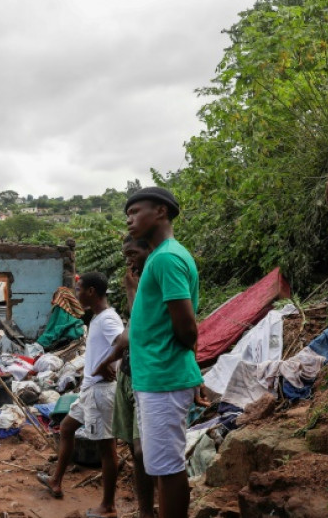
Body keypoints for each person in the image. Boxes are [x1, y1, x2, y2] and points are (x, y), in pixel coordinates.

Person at [125, 187, 203, 518]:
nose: (129, 220)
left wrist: (183, 369)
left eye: (135, 211)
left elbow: (186, 327)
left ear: (160, 211)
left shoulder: (168, 258)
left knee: (169, 468)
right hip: (155, 378)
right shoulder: (158, 257)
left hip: (164, 378)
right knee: (160, 464)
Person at [37, 272, 123, 518]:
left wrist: (108, 364)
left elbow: (125, 342)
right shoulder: (97, 318)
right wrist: (100, 364)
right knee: (66, 428)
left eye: (79, 290)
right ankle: (56, 481)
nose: (76, 295)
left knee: (107, 448)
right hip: (90, 389)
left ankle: (108, 506)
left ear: (92, 292)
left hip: (101, 392)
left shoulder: (108, 319)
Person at [93, 234, 155, 518]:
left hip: (149, 378)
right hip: (129, 376)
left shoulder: (155, 283)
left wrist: (132, 292)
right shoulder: (141, 286)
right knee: (135, 450)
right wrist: (109, 360)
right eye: (125, 255)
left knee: (146, 452)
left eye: (132, 253)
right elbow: (129, 333)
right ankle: (145, 511)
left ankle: (156, 509)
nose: (128, 261)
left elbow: (143, 328)